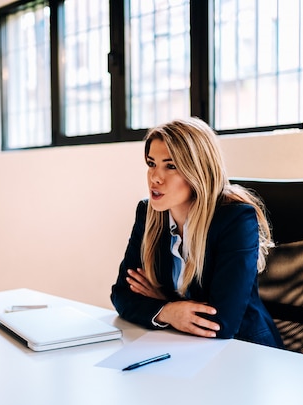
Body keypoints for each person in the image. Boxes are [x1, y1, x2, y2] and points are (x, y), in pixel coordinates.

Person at [110, 117, 283, 348]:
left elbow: (221, 323)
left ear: (198, 171)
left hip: (243, 349)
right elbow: (122, 294)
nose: (155, 177)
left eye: (170, 166)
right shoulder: (148, 213)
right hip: (180, 346)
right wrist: (169, 312)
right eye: (151, 163)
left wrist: (164, 303)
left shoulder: (236, 220)